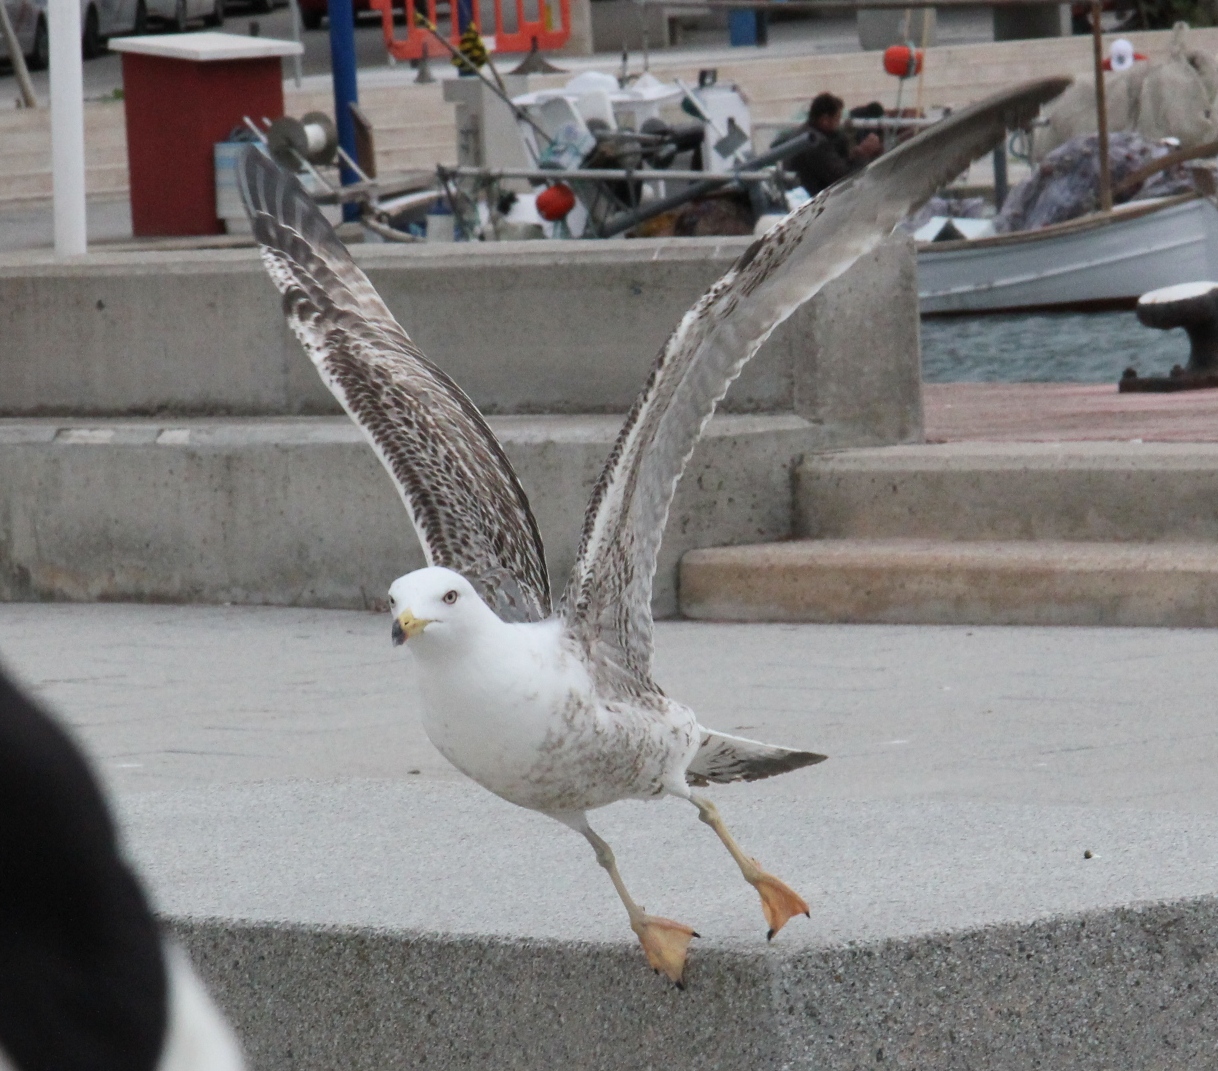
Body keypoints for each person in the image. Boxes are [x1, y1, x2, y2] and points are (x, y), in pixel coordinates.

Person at [782, 92, 884, 197]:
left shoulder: (807, 133)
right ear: (825, 120)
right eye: (837, 118)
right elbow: (843, 179)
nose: (839, 123)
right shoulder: (816, 143)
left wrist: (855, 153)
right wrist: (863, 152)